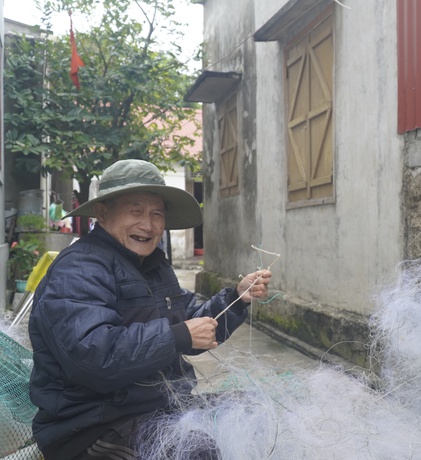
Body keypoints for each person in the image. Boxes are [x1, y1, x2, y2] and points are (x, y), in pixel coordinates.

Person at [28, 159, 272, 460]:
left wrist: (236, 298)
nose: (149, 224)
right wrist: (178, 337)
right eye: (136, 211)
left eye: (156, 213)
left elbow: (194, 325)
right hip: (91, 428)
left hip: (158, 409)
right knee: (196, 452)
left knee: (250, 408)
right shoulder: (78, 269)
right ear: (102, 213)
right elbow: (94, 359)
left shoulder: (155, 267)